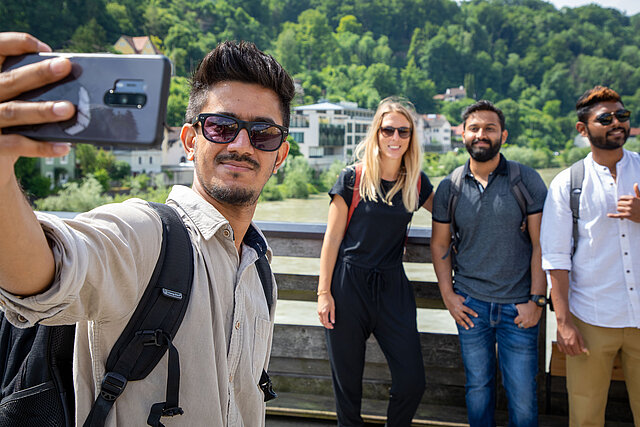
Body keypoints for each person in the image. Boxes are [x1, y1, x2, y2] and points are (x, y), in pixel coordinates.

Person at [0, 32, 292, 426]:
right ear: (190, 141)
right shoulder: (148, 237)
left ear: (280, 156)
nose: (241, 144)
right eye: (221, 127)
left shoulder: (259, 269)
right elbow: (43, 274)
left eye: (263, 134)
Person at [317, 97, 434, 427]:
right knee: (348, 389)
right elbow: (332, 239)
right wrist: (323, 293)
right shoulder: (352, 179)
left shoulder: (415, 182)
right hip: (347, 287)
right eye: (388, 130)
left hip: (393, 288)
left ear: (411, 137)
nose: (395, 138)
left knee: (412, 382)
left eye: (403, 131)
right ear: (376, 133)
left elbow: (451, 214)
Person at [430, 100, 548, 426]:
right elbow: (439, 243)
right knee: (478, 390)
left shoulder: (527, 181)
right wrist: (449, 296)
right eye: (475, 128)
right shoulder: (449, 186)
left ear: (503, 135)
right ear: (463, 135)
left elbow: (543, 244)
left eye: (490, 128)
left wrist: (537, 300)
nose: (482, 134)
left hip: (519, 307)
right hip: (471, 306)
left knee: (523, 397)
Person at [541, 86, 640, 426]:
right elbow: (555, 259)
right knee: (585, 416)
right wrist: (564, 324)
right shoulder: (568, 183)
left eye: (622, 116)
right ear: (582, 129)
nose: (617, 123)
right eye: (606, 118)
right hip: (591, 318)